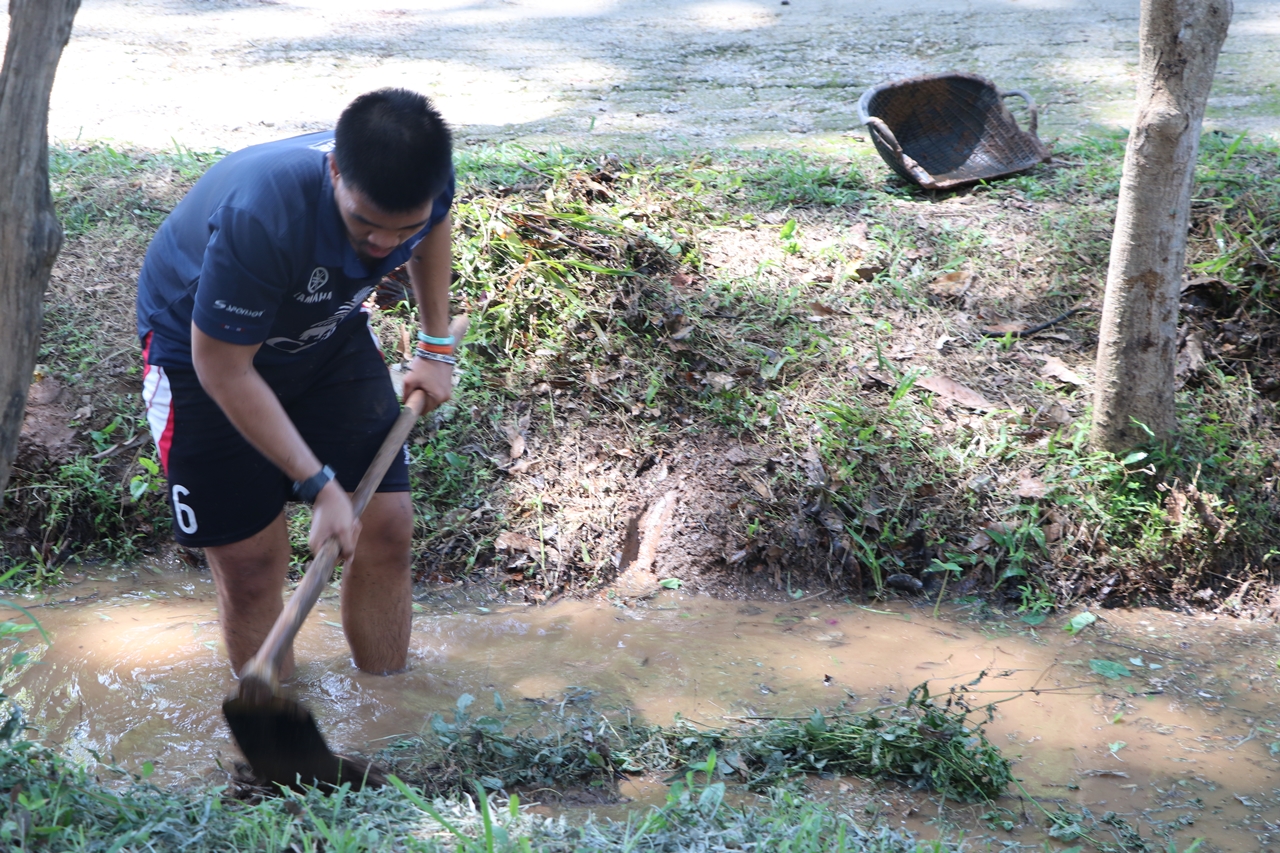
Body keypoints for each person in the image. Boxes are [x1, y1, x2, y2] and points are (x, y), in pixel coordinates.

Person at [135, 88, 456, 677]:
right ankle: (280, 747)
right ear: (335, 169)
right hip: (199, 355)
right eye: (365, 224)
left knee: (386, 526)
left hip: (323, 337)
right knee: (252, 568)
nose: (385, 245)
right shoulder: (263, 214)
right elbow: (224, 369)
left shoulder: (424, 179)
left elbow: (432, 227)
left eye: (400, 228)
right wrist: (320, 487)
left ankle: (391, 720)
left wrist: (434, 346)